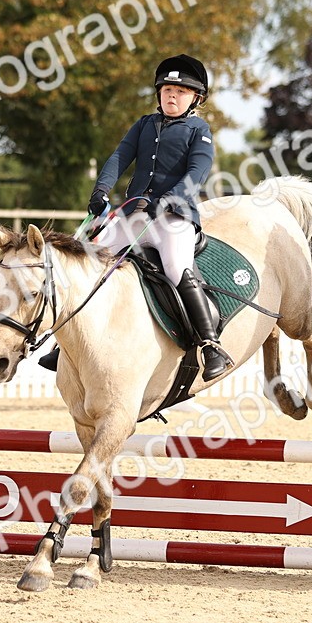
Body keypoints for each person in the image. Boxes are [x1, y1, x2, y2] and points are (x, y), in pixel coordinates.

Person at [38, 54, 232, 380]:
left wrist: (171, 199)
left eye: (181, 92)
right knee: (89, 260)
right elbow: (119, 157)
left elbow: (198, 171)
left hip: (174, 217)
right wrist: (101, 190)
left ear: (195, 98)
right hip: (134, 216)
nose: (172, 96)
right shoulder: (144, 124)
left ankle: (210, 346)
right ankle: (63, 345)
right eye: (167, 89)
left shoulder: (199, 129)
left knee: (176, 267)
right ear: (158, 93)